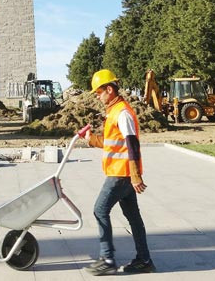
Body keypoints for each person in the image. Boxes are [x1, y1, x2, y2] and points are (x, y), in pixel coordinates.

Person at [84, 69, 155, 275]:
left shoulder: (122, 112)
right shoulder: (113, 111)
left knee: (100, 210)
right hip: (121, 173)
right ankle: (144, 260)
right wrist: (91, 139)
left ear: (109, 89)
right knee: (133, 217)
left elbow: (132, 144)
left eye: (99, 92)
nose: (98, 97)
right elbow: (112, 143)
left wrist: (135, 175)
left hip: (121, 174)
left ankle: (107, 259)